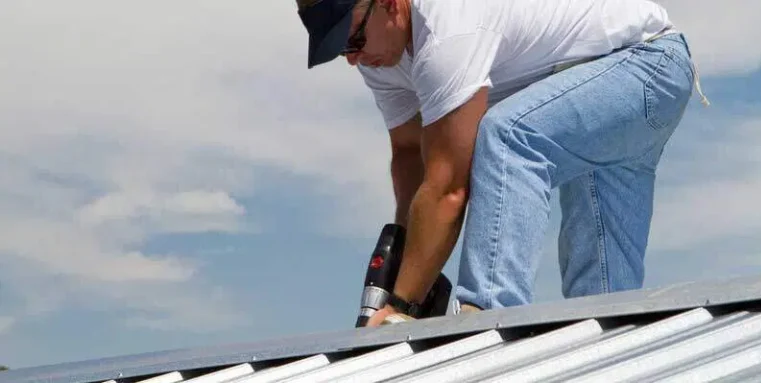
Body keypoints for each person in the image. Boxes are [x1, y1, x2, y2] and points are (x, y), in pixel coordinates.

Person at [296, 0, 708, 326]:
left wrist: (403, 305)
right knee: (600, 313)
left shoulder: (446, 27)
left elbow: (449, 188)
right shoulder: (382, 58)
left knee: (509, 137)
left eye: (352, 42)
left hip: (647, 65)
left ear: (387, 3)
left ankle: (487, 316)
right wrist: (403, 266)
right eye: (340, 51)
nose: (352, 59)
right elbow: (411, 157)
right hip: (605, 86)